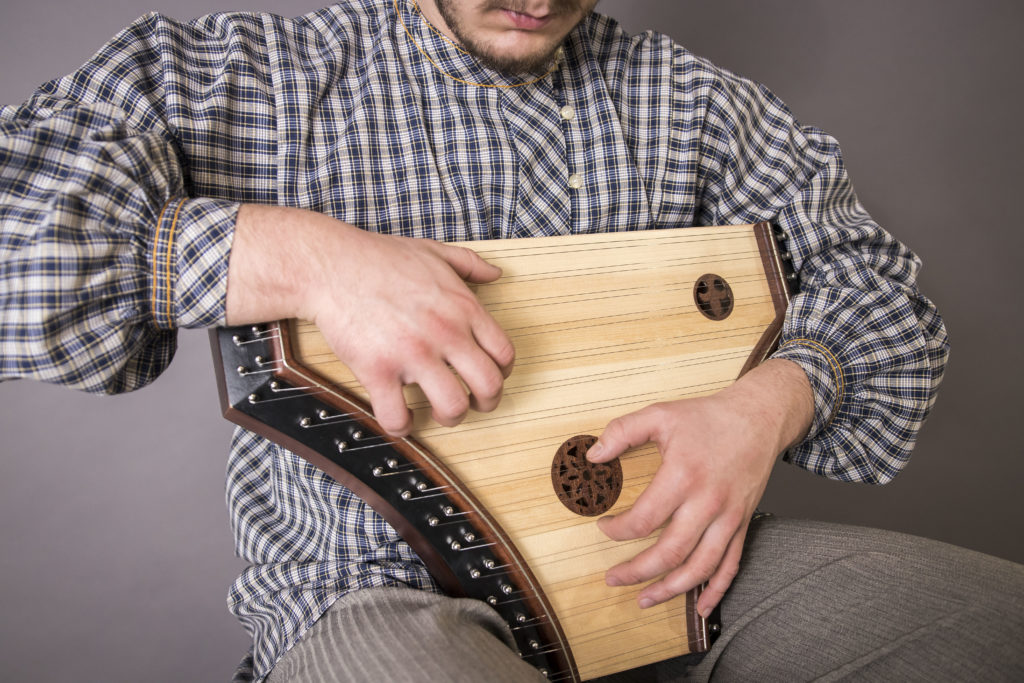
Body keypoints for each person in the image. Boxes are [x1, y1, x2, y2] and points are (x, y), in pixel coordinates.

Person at [1, 1, 1021, 681]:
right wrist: (291, 254)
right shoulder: (256, 77)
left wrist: (769, 402)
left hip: (662, 570)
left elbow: (873, 281)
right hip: (372, 593)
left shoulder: (694, 102)